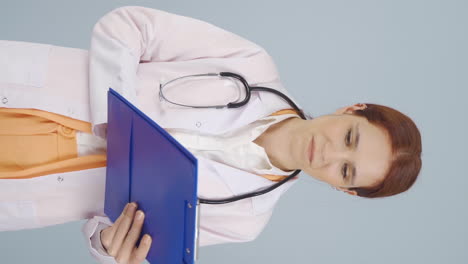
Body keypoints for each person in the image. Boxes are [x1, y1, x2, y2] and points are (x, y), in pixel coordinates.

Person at [0, 6, 422, 264]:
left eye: (346, 172)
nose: (329, 155)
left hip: (23, 184)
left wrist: (112, 247)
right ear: (352, 109)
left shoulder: (245, 219)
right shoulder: (251, 64)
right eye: (349, 137)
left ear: (343, 190)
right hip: (22, 94)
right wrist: (118, 117)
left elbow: (108, 234)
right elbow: (129, 25)